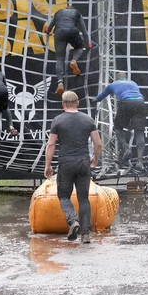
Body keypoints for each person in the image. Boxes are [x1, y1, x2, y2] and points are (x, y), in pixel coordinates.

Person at [44, 90, 102, 244]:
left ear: (63, 104)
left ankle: (73, 220)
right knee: (84, 198)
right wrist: (95, 159)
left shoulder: (58, 120)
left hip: (66, 163)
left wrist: (47, 165)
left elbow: (51, 144)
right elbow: (98, 143)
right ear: (77, 102)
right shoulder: (87, 119)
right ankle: (85, 235)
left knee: (63, 196)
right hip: (83, 163)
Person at [94, 71, 146, 173]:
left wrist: (95, 100)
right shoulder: (133, 83)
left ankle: (126, 147)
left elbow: (101, 96)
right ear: (126, 78)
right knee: (139, 132)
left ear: (116, 78)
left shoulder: (113, 84)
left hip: (126, 102)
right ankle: (140, 162)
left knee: (118, 128)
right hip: (140, 103)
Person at [45, 5, 92, 96]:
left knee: (59, 58)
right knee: (78, 48)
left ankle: (60, 82)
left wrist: (47, 30)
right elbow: (84, 31)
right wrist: (87, 44)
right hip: (72, 31)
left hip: (59, 33)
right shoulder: (77, 13)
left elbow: (49, 28)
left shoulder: (58, 12)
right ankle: (74, 61)